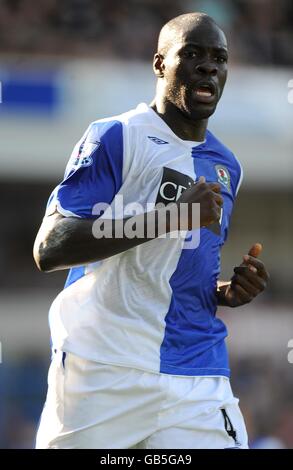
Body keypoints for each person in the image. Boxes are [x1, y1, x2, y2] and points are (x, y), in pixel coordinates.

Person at [33, 12, 269, 449]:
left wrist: (223, 291)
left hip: (196, 372)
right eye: (192, 53)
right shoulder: (115, 137)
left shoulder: (227, 166)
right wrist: (170, 216)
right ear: (160, 63)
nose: (208, 66)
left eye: (219, 58)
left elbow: (167, 267)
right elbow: (50, 247)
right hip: (104, 368)